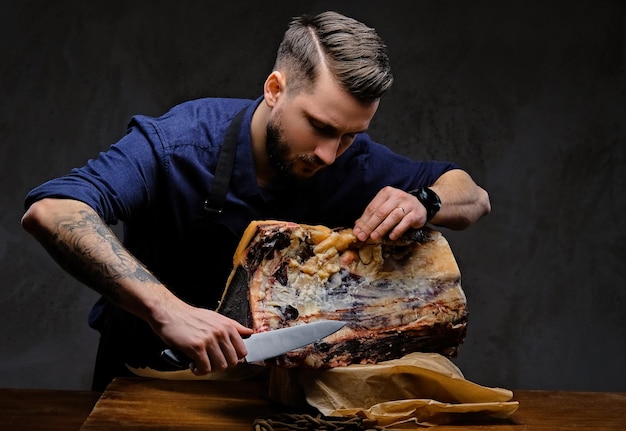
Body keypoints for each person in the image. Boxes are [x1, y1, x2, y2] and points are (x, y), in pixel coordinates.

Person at [21, 11, 491, 391]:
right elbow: (54, 209)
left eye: (350, 136)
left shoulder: (353, 160)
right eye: (322, 127)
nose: (330, 154)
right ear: (274, 89)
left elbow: (472, 197)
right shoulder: (177, 143)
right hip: (146, 383)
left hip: (269, 397)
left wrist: (425, 201)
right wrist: (167, 310)